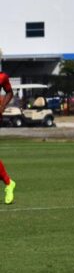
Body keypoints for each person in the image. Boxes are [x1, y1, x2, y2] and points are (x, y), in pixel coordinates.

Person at [0, 72, 17, 204]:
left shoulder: (2, 77)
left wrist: (2, 106)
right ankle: (9, 182)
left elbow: (10, 92)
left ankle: (9, 182)